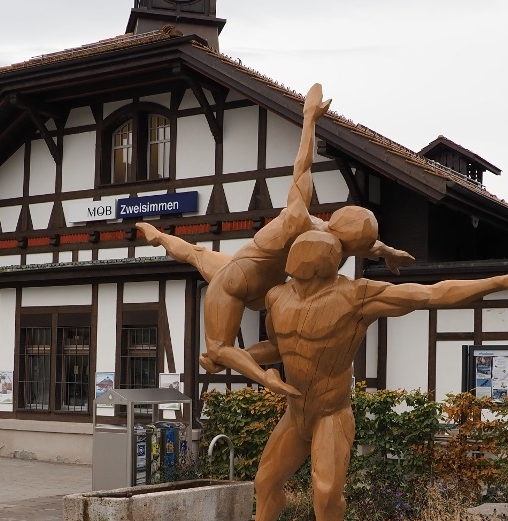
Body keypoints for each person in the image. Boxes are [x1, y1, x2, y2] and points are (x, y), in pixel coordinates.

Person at [224, 229, 508, 521]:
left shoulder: (356, 295)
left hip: (331, 412)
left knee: (326, 492)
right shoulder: (276, 297)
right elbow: (277, 348)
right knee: (265, 480)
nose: (301, 261)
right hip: (296, 412)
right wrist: (234, 356)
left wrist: (496, 282)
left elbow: (430, 294)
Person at [136, 84, 414, 397]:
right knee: (218, 345)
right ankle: (262, 376)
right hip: (235, 284)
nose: (345, 252)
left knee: (195, 254)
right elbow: (302, 167)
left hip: (259, 280)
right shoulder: (300, 220)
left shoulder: (328, 230)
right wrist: (308, 119)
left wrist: (388, 251)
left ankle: (158, 236)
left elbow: (365, 243)